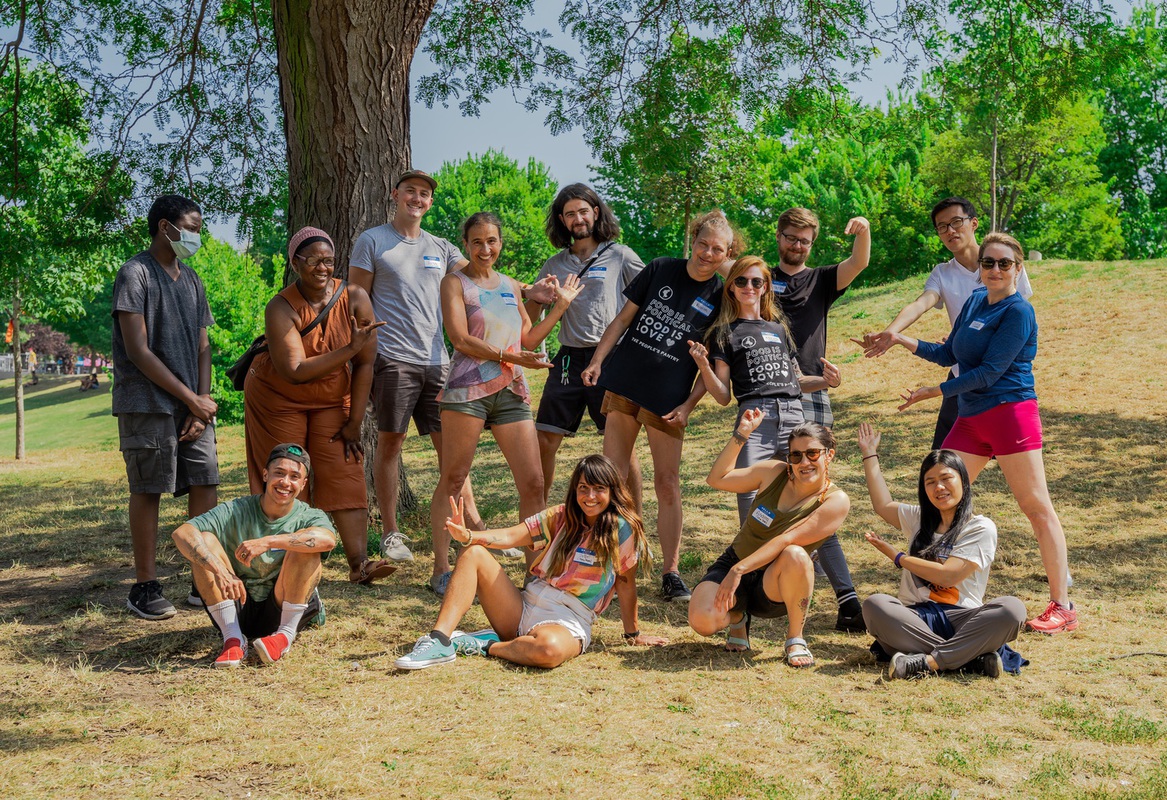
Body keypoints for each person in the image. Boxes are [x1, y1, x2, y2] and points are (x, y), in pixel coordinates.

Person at [874, 232, 1076, 634]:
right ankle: (934, 586)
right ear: (980, 268)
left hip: (1010, 414)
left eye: (1004, 263)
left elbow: (990, 371)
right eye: (989, 263)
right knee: (937, 492)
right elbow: (950, 355)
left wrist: (935, 392)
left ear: (1019, 268)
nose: (996, 269)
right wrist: (901, 340)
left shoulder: (1019, 312)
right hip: (971, 418)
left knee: (1036, 507)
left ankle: (1062, 606)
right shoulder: (973, 302)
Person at [581, 211, 734, 601]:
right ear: (693, 238)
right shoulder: (660, 268)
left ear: (727, 253)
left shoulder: (722, 296)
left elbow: (711, 367)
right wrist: (598, 360)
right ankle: (608, 565)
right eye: (703, 244)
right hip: (624, 385)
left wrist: (688, 404)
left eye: (717, 249)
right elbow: (621, 320)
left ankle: (671, 573)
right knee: (610, 480)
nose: (707, 253)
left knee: (667, 483)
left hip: (668, 403)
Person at [395, 455, 667, 670]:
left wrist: (633, 634)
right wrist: (468, 535)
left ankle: (485, 646)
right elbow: (512, 535)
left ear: (612, 492)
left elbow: (625, 582)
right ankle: (440, 640)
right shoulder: (562, 515)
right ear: (575, 490)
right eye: (583, 488)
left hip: (569, 618)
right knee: (474, 552)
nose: (590, 496)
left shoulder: (623, 528)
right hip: (524, 605)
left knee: (548, 651)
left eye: (599, 489)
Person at [427, 211, 576, 596]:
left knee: (534, 481)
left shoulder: (511, 285)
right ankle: (441, 567)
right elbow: (459, 339)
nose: (485, 248)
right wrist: (510, 357)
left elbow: (527, 340)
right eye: (477, 242)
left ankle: (535, 571)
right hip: (466, 392)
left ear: (500, 243)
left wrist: (560, 307)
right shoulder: (453, 283)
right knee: (454, 479)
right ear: (466, 245)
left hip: (511, 392)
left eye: (491, 241)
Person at [243, 226, 391, 585]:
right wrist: (349, 349)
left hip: (329, 396)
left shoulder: (355, 296)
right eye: (313, 260)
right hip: (277, 399)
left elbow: (366, 363)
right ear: (296, 263)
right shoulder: (280, 307)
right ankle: (284, 565)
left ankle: (359, 564)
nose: (323, 267)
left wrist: (355, 421)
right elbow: (293, 370)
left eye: (329, 260)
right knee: (288, 473)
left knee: (344, 468)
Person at [852, 197, 1034, 448]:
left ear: (973, 223)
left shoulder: (1006, 263)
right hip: (961, 377)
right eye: (942, 226)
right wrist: (891, 333)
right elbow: (921, 303)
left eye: (956, 222)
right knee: (944, 465)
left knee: (1016, 475)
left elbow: (1017, 319)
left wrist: (971, 339)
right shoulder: (944, 275)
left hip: (1002, 388)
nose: (950, 230)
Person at [112, 194, 219, 620]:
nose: (196, 235)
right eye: (191, 227)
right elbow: (138, 350)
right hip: (147, 402)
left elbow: (203, 346)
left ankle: (202, 577)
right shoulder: (134, 274)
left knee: (205, 482)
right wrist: (188, 397)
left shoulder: (192, 280)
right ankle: (144, 584)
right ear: (165, 227)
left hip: (192, 405)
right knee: (148, 488)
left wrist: (200, 404)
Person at [856, 423, 1028, 679]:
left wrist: (899, 558)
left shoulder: (980, 527)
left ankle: (928, 662)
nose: (939, 487)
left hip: (965, 619)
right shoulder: (918, 518)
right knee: (875, 605)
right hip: (916, 617)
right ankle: (969, 659)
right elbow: (882, 505)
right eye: (931, 482)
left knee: (1012, 610)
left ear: (963, 480)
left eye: (946, 478)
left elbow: (948, 576)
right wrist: (869, 454)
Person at [769, 207, 869, 630]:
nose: (796, 245)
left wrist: (862, 231)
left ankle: (846, 598)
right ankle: (769, 583)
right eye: (790, 237)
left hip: (812, 395)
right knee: (774, 493)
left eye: (804, 240)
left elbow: (858, 262)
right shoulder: (756, 278)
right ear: (779, 236)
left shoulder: (821, 280)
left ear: (812, 243)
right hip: (768, 395)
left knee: (815, 496)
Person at [689, 415, 850, 667]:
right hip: (736, 561)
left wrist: (739, 570)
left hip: (775, 581)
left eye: (813, 454)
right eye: (795, 456)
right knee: (702, 621)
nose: (803, 462)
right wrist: (741, 434)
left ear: (829, 455)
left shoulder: (835, 500)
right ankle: (737, 618)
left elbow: (787, 538)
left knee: (796, 553)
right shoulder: (774, 472)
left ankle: (795, 638)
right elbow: (716, 479)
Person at [689, 255, 841, 519]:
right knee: (750, 498)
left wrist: (828, 381)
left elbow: (798, 381)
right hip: (755, 419)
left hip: (795, 416)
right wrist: (704, 365)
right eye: (741, 280)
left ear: (765, 287)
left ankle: (800, 556)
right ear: (732, 287)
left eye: (756, 281)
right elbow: (723, 396)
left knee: (805, 495)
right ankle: (754, 558)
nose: (749, 286)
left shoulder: (778, 329)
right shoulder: (724, 332)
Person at [526, 183, 646, 505]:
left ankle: (633, 519)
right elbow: (531, 315)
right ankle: (538, 512)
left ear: (595, 212)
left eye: (582, 211)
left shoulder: (620, 255)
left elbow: (648, 298)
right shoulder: (554, 264)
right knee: (546, 438)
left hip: (610, 358)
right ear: (562, 221)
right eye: (569, 214)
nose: (577, 219)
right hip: (567, 359)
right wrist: (536, 296)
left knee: (620, 444)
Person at [172, 443, 335, 668]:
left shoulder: (309, 515)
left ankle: (285, 636)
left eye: (294, 476)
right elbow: (182, 533)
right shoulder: (236, 509)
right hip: (237, 603)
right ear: (265, 474)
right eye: (279, 473)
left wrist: (269, 542)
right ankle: (233, 638)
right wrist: (219, 570)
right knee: (204, 541)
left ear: (303, 483)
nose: (286, 482)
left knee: (306, 543)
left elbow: (327, 540)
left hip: (282, 603)